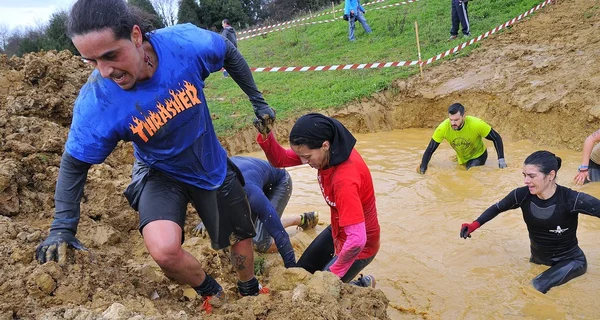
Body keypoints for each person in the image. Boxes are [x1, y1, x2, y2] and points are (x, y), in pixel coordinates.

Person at [34, 0, 276, 303]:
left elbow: (229, 53)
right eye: (91, 61)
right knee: (163, 249)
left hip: (207, 159)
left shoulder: (186, 44)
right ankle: (211, 292)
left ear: (136, 36)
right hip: (159, 171)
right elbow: (74, 162)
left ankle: (249, 289)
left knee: (239, 237)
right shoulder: (98, 101)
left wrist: (258, 101)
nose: (105, 71)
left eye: (111, 55)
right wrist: (62, 228)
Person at [254, 113, 380, 287]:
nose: (304, 162)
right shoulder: (329, 152)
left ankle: (362, 286)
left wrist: (330, 276)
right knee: (301, 274)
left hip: (360, 246)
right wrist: (267, 135)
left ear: (325, 145)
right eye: (301, 156)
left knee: (322, 289)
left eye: (307, 157)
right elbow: (280, 159)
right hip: (339, 229)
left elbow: (357, 240)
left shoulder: (344, 179)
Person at [460, 150, 600, 293]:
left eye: (532, 176)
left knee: (534, 288)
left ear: (550, 175)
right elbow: (497, 208)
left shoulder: (571, 199)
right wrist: (473, 225)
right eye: (524, 175)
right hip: (538, 260)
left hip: (571, 261)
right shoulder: (521, 195)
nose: (526, 181)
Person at [194, 156, 320, 268]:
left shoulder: (251, 193)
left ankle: (299, 236)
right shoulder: (209, 185)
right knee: (255, 227)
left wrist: (291, 267)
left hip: (279, 183)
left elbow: (277, 231)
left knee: (261, 242)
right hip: (256, 176)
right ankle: (302, 218)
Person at [419, 103, 507, 174]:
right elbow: (429, 150)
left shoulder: (476, 124)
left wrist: (501, 160)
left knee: (470, 174)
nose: (453, 123)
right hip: (462, 158)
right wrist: (423, 169)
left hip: (478, 155)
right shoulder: (443, 128)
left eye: (456, 120)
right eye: (451, 119)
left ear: (464, 116)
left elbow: (496, 138)